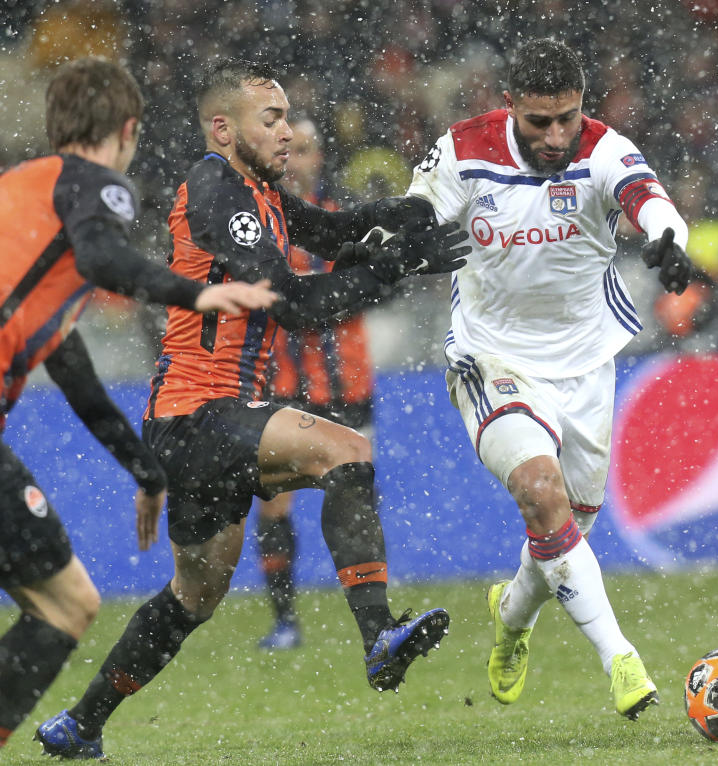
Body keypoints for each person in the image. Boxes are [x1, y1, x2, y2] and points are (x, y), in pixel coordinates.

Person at [36, 58, 470, 759]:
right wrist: (391, 265)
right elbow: (294, 304)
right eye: (270, 119)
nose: (288, 133)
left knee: (191, 598)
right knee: (347, 452)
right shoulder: (214, 187)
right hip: (197, 413)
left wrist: (414, 222)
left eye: (289, 118)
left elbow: (335, 233)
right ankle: (378, 636)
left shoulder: (262, 197)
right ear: (223, 127)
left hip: (200, 424)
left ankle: (81, 724)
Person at [404, 38, 693, 718]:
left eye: (568, 116)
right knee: (540, 491)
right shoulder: (463, 149)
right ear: (510, 108)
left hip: (586, 365)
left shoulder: (602, 148)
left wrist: (669, 240)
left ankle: (510, 617)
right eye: (540, 122)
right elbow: (413, 212)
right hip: (491, 359)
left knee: (563, 527)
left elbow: (650, 200)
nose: (557, 134)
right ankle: (621, 660)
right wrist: (413, 243)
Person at [0, 57, 278, 750]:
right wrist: (196, 293)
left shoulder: (20, 193)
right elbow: (100, 255)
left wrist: (143, 468)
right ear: (127, 131)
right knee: (67, 606)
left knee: (64, 602)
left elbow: (70, 367)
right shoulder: (94, 185)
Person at [254, 116, 378, 651]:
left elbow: (376, 289)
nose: (298, 160)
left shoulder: (338, 223)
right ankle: (285, 620)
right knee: (274, 501)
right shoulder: (260, 226)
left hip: (346, 385)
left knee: (357, 499)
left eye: (306, 150)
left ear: (319, 159)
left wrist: (327, 294)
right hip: (282, 383)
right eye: (291, 150)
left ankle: (375, 620)